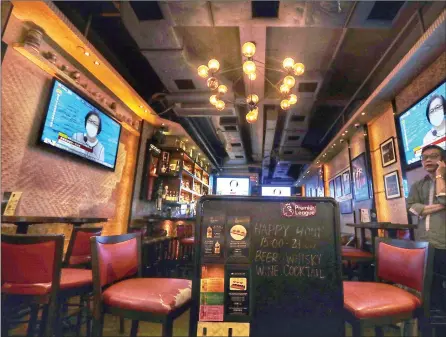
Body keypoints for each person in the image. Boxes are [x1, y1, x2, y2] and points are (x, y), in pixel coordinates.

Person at [407, 144, 446, 316]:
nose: (428, 160)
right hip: (424, 242)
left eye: (434, 156)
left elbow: (443, 197)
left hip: (443, 242)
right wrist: (441, 205)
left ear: (442, 160)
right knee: (432, 285)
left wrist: (439, 176)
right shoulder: (418, 185)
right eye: (424, 157)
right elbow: (412, 208)